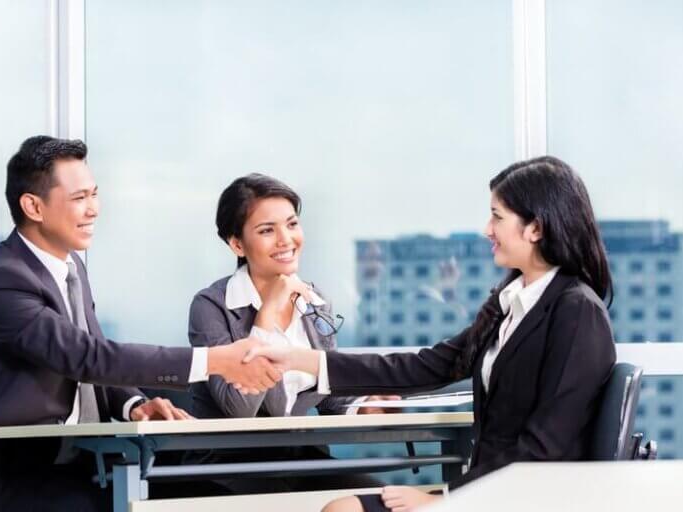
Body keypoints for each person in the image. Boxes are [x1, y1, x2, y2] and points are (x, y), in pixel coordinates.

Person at [245, 157, 617, 512]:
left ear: (535, 228)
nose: (488, 229)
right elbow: (422, 367)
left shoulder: (576, 311)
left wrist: (447, 499)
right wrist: (299, 359)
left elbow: (545, 448)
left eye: (497, 217)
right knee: (341, 506)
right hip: (489, 489)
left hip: (522, 500)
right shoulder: (513, 304)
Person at [0, 136, 281, 512]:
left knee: (216, 500)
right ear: (33, 206)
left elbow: (93, 365)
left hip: (79, 469)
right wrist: (214, 360)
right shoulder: (3, 282)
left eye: (94, 194)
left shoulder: (70, 271)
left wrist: (134, 404)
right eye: (79, 198)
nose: (93, 210)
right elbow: (89, 357)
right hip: (14, 482)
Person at [185, 173, 392, 494]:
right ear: (236, 243)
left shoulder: (312, 299)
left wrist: (363, 404)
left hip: (300, 459)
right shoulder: (211, 306)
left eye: (292, 224)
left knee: (382, 501)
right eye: (267, 230)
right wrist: (268, 316)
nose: (286, 239)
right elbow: (238, 408)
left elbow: (326, 389)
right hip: (228, 467)